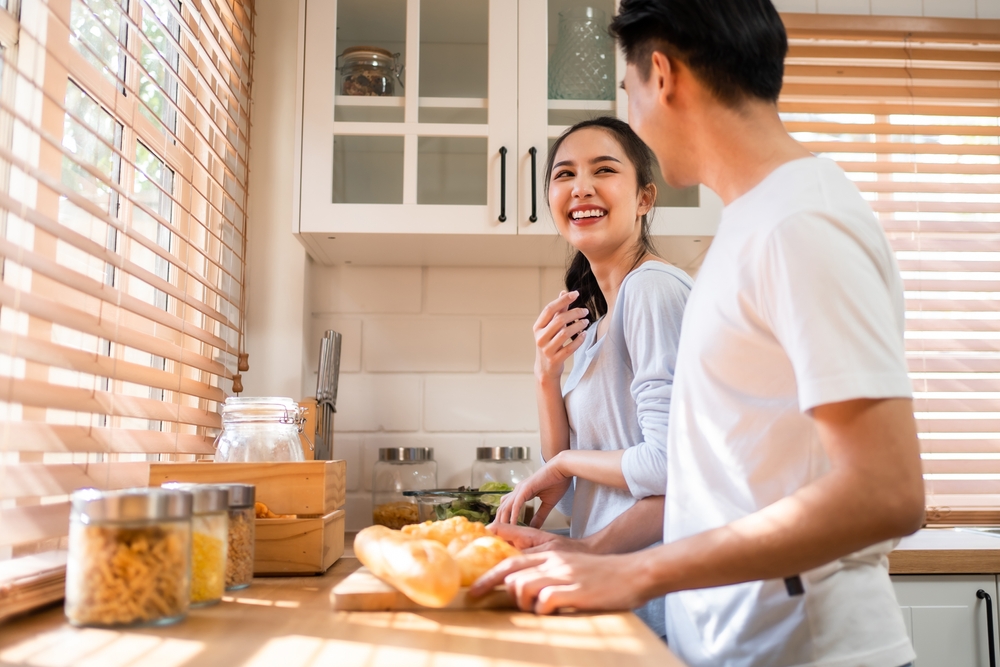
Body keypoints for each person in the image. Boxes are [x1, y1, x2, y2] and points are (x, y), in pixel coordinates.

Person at [472, 2, 924, 666]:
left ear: (662, 74)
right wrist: (593, 552)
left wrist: (634, 572)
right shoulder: (749, 225)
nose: (635, 119)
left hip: (812, 651)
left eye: (629, 94)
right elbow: (716, 472)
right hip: (738, 643)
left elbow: (888, 491)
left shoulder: (801, 222)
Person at [494, 116, 693, 637]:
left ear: (645, 198)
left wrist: (565, 475)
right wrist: (545, 374)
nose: (581, 186)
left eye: (603, 170)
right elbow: (567, 463)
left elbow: (670, 468)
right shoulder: (601, 317)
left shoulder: (653, 290)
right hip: (605, 583)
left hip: (652, 588)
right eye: (564, 175)